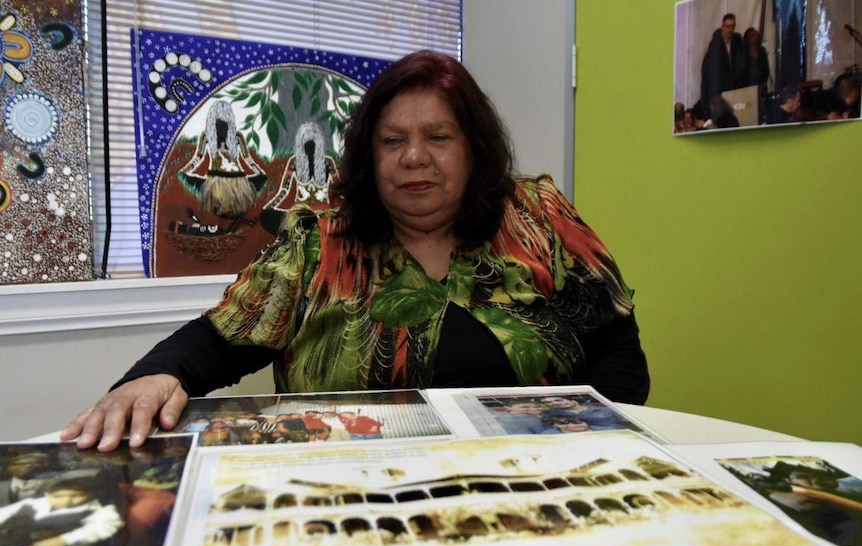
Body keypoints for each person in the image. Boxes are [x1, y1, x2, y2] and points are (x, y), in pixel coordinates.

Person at [61, 50, 649, 452]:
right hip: (351, 491)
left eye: (438, 138)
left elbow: (617, 345)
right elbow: (219, 338)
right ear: (369, 155)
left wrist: (590, 449)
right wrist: (152, 378)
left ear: (475, 148)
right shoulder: (318, 239)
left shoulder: (537, 214)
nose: (414, 157)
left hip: (535, 482)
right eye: (393, 141)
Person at [0, 476, 124, 546]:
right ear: (47, 495)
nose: (66, 501)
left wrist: (63, 540)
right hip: (13, 542)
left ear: (91, 495)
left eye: (76, 496)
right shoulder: (32, 504)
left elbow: (104, 526)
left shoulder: (98, 511)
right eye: (57, 496)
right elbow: (5, 512)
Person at [701, 13, 745, 119]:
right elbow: (714, 74)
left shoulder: (737, 42)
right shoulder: (716, 44)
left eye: (732, 26)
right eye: (727, 26)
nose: (730, 29)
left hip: (733, 89)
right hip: (720, 91)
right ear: (722, 26)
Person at [539, 396, 629, 431]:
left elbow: (628, 422)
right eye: (549, 403)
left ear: (573, 400)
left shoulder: (606, 410)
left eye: (558, 400)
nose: (554, 403)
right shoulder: (550, 414)